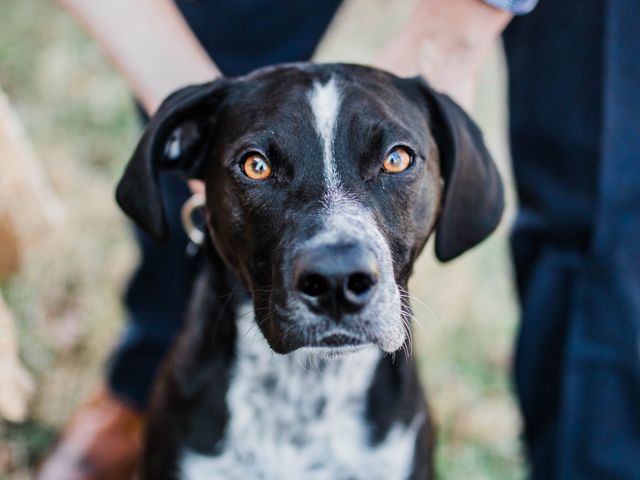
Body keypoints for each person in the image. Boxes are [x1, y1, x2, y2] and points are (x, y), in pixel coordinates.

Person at [38, 0, 640, 479]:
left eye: (396, 157)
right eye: (256, 166)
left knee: (594, 186)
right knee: (227, 34)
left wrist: (455, 28)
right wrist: (207, 108)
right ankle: (138, 389)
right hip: (201, 405)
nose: (339, 262)